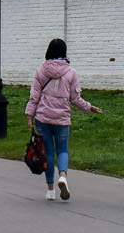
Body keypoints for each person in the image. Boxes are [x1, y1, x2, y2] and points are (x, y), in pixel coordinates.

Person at [24, 37, 103, 201]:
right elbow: (75, 98)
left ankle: (50, 190)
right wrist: (89, 107)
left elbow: (34, 97)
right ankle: (63, 176)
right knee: (63, 150)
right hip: (62, 119)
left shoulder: (40, 71)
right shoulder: (70, 72)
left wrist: (29, 115)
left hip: (43, 118)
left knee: (49, 153)